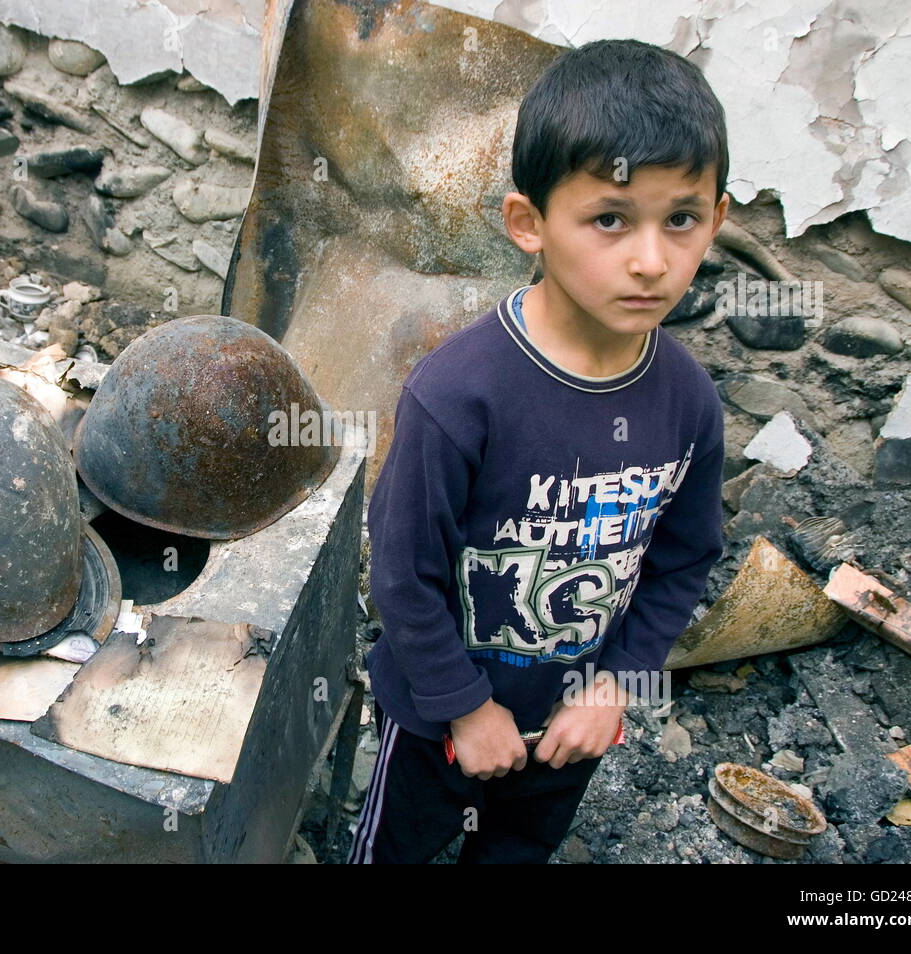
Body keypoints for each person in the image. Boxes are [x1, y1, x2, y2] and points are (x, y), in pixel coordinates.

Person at [348, 37, 730, 864]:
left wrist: (615, 686)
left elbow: (684, 559)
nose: (651, 261)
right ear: (530, 223)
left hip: (569, 726)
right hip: (439, 727)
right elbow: (401, 573)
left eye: (682, 220)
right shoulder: (459, 395)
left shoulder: (688, 402)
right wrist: (463, 708)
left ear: (718, 219)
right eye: (609, 220)